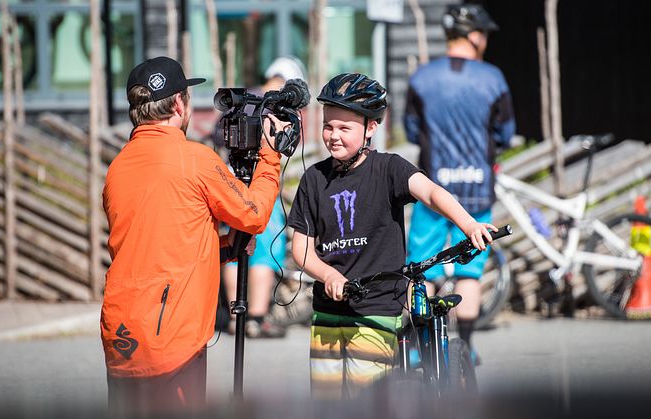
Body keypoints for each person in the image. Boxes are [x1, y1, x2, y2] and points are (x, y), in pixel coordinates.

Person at [288, 72, 497, 399]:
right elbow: (301, 250)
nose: (333, 136)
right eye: (328, 125)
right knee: (326, 403)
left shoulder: (390, 169)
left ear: (371, 127)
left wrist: (468, 224)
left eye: (345, 128)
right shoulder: (314, 179)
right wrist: (328, 273)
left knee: (365, 398)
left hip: (377, 306)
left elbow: (430, 193)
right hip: (327, 310)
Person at [100, 56, 285, 414]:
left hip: (121, 331)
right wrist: (270, 157)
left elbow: (157, 244)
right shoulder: (194, 159)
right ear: (180, 103)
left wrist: (225, 249)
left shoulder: (118, 167)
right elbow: (255, 214)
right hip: (170, 336)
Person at [404, 1, 515, 363]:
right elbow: (506, 131)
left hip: (434, 188)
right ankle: (465, 347)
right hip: (478, 185)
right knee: (470, 267)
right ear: (475, 35)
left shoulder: (421, 78)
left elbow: (410, 128)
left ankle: (421, 349)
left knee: (423, 265)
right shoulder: (493, 77)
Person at [220, 56, 307, 338]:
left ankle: (236, 318)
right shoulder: (278, 108)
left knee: (234, 248)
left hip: (229, 183)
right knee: (264, 251)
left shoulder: (242, 101)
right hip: (262, 185)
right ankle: (256, 317)